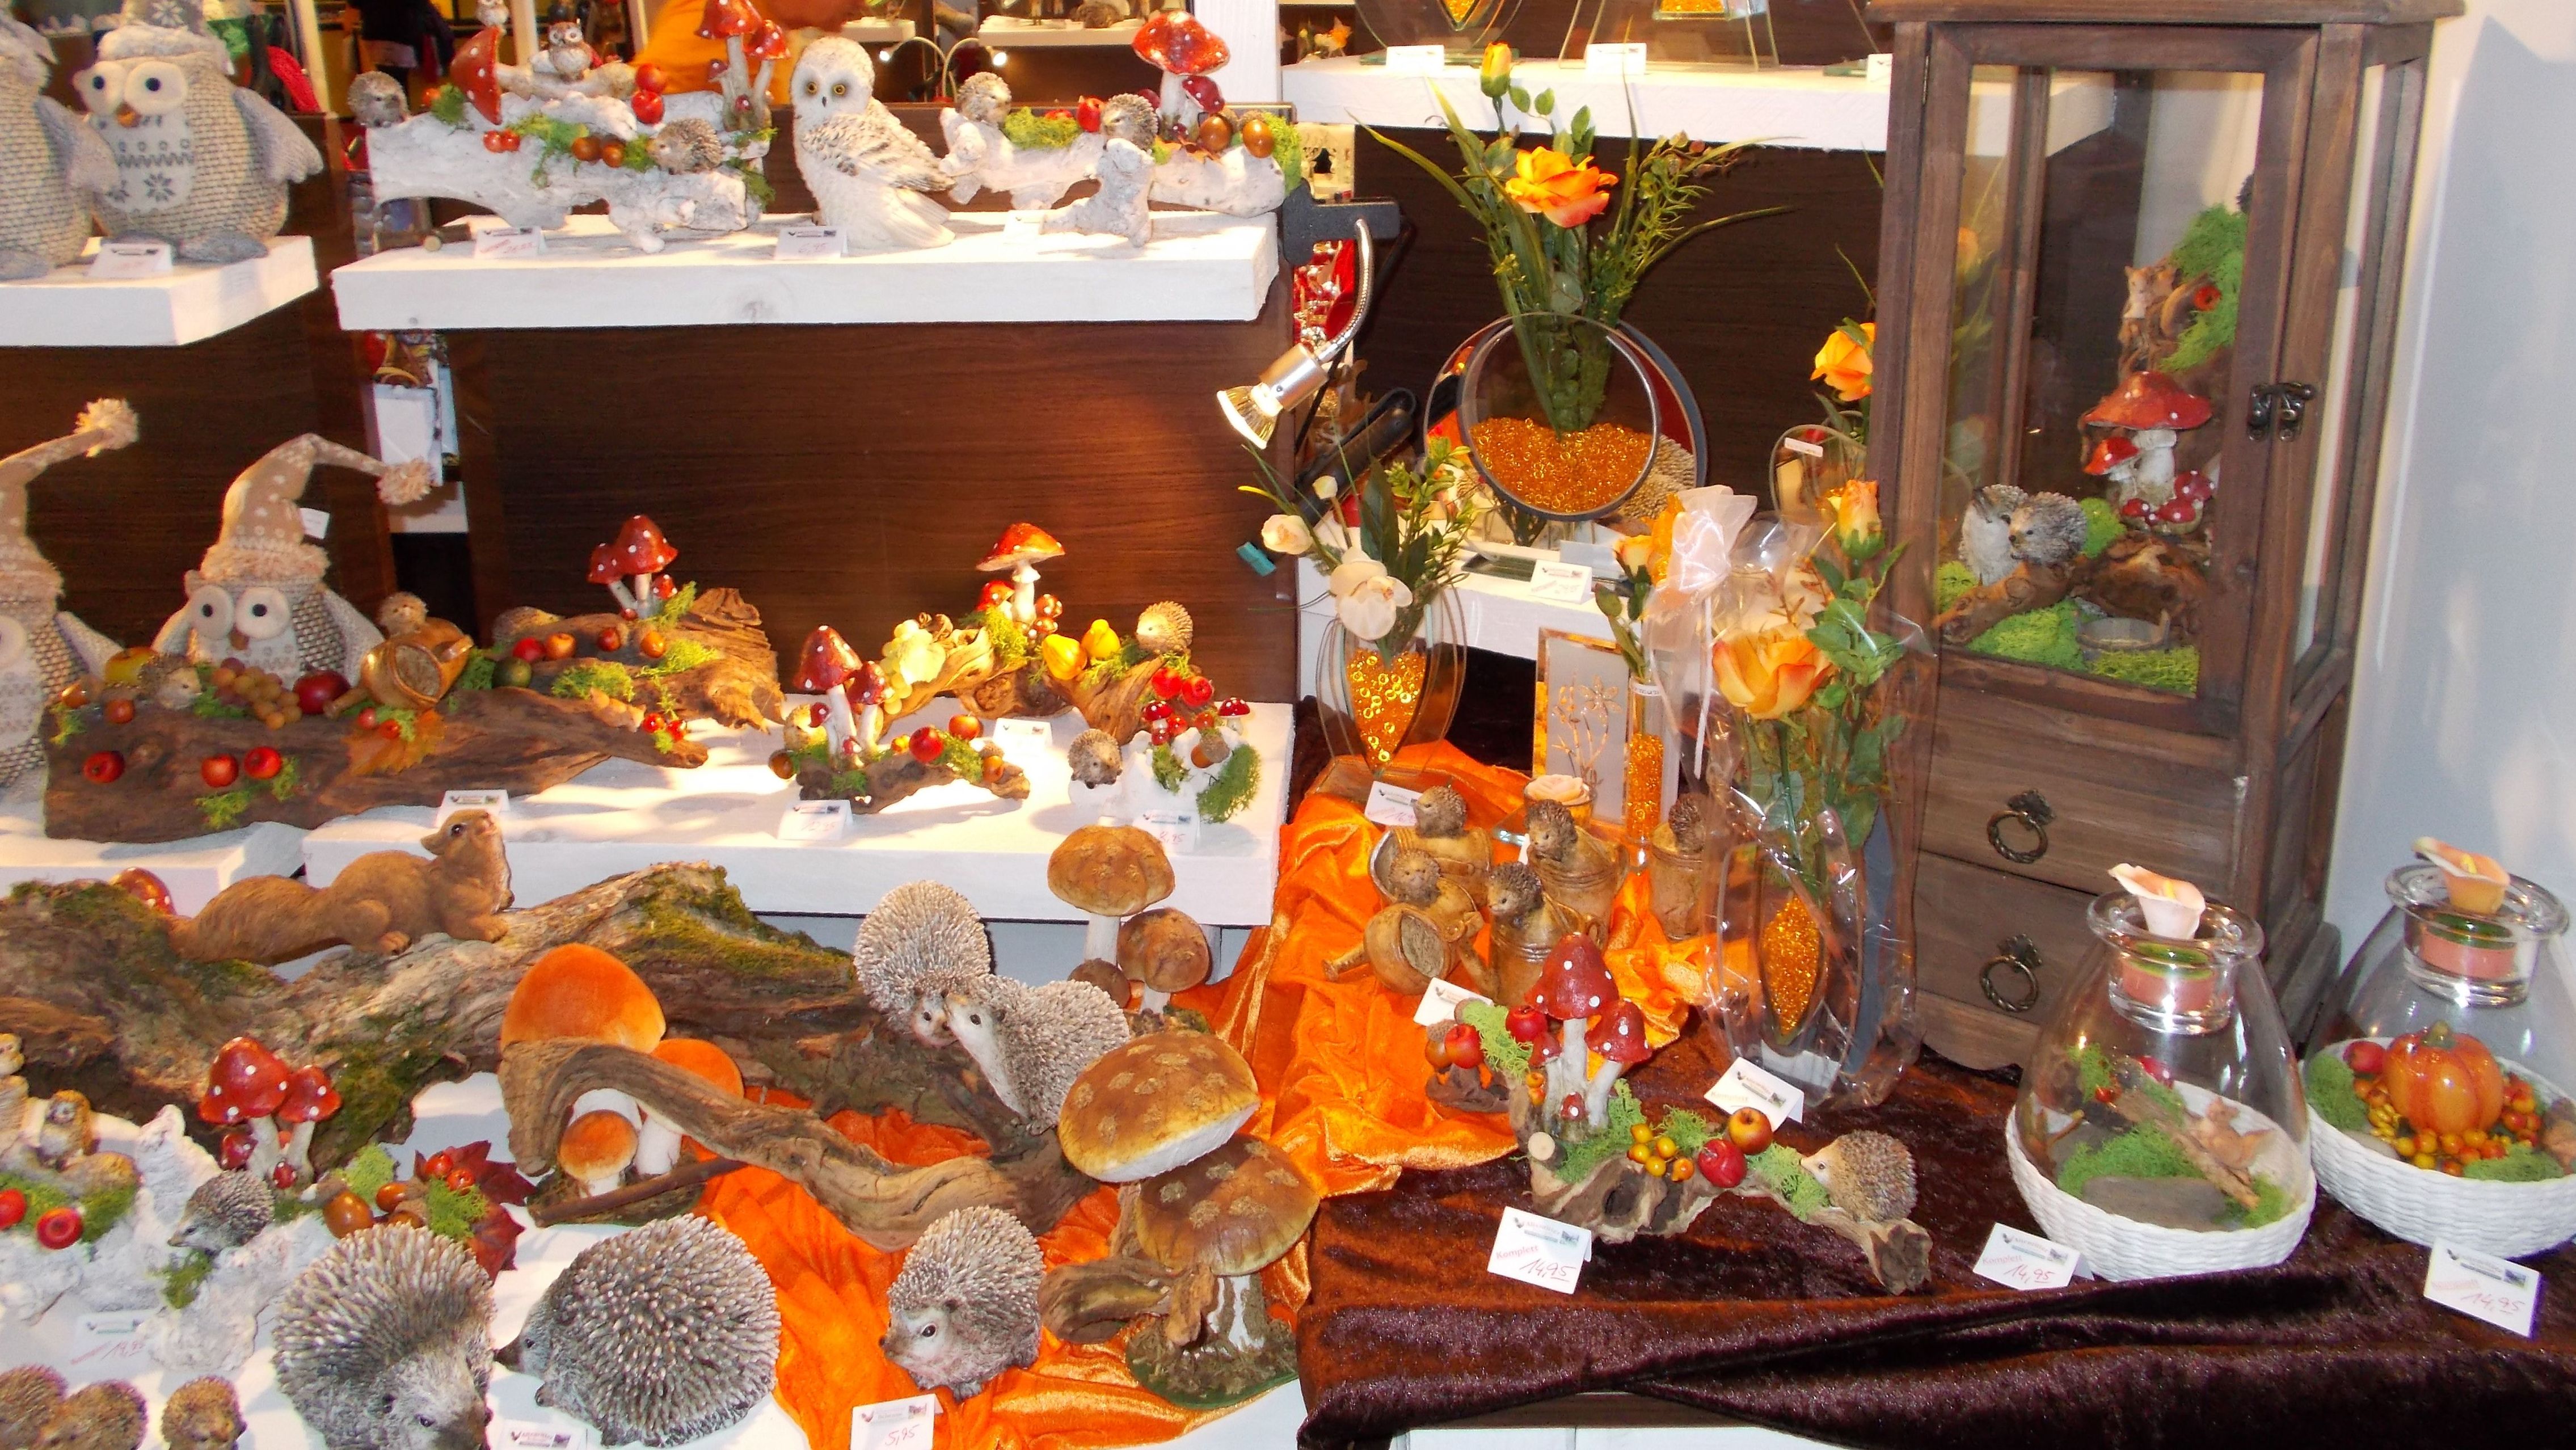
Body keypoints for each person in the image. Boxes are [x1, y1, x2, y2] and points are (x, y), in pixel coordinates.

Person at [349, 0, 452, 87]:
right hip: (401, 35)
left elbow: (354, 3)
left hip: (373, 35)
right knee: (400, 85)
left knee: (387, 83)